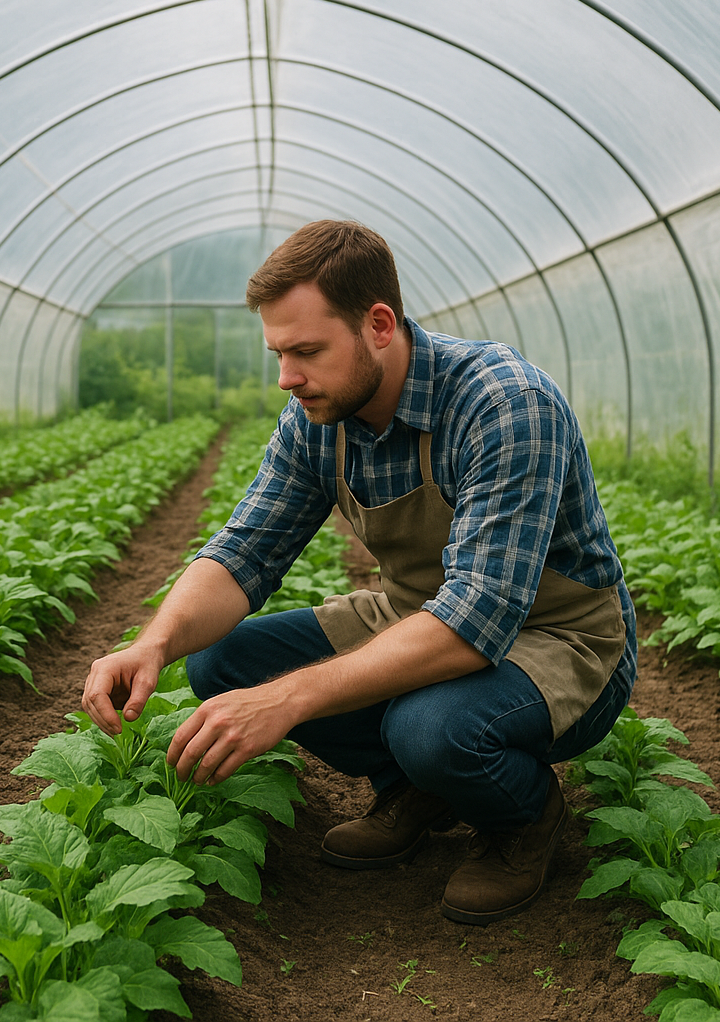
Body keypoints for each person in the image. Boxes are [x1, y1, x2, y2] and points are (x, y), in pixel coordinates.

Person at [82, 219, 637, 925]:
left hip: (559, 638)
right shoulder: (317, 418)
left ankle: (524, 819)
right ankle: (416, 790)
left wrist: (288, 700)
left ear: (378, 324)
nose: (286, 377)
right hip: (418, 613)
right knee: (223, 660)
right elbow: (244, 551)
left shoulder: (504, 404)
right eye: (279, 353)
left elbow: (477, 616)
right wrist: (153, 643)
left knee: (428, 727)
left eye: (307, 351)